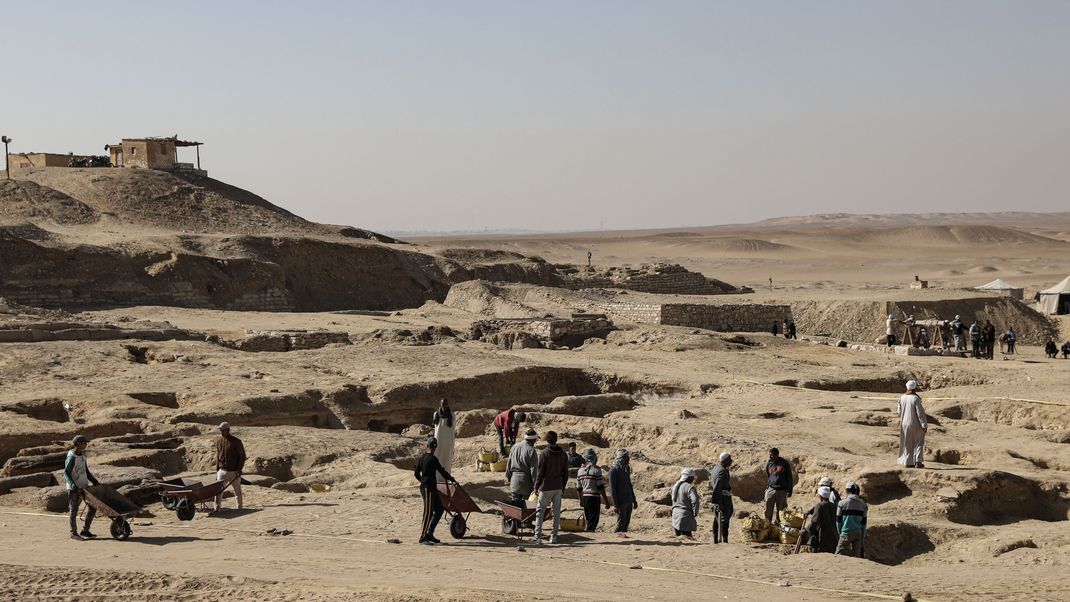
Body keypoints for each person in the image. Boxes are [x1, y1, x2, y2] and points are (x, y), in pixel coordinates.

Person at [414, 436, 456, 545]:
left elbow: (416, 473)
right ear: (435, 447)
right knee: (428, 513)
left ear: (427, 446)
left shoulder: (422, 458)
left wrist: (422, 481)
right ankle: (422, 537)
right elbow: (442, 472)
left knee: (439, 510)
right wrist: (452, 479)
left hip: (429, 488)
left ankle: (429, 534)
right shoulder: (433, 459)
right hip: (428, 488)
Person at [532, 430, 569, 544]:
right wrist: (563, 486)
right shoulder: (563, 454)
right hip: (558, 485)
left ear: (547, 440)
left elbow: (540, 472)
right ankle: (554, 536)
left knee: (540, 511)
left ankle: (537, 537)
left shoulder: (544, 453)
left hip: (546, 485)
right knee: (556, 512)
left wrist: (536, 486)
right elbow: (565, 473)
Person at [64, 435, 100, 540]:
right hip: (74, 489)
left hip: (84, 487)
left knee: (92, 507)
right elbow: (66, 473)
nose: (86, 444)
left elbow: (86, 471)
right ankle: (73, 533)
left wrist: (95, 481)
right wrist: (74, 486)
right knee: (73, 510)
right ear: (78, 444)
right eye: (84, 443)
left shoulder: (82, 455)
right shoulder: (71, 457)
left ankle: (85, 530)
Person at [575, 448, 611, 532]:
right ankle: (589, 534)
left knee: (588, 519)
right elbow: (600, 487)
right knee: (593, 520)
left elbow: (579, 488)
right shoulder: (596, 470)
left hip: (585, 497)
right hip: (594, 497)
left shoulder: (580, 471)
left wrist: (581, 500)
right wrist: (606, 500)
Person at [214, 422, 246, 512]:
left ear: (228, 430)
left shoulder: (236, 442)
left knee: (237, 491)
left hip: (234, 471)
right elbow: (218, 456)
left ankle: (239, 508)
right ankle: (217, 508)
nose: (221, 432)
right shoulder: (219, 441)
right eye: (220, 430)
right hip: (222, 470)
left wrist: (239, 469)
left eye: (222, 430)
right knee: (218, 491)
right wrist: (217, 470)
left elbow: (242, 456)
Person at [608, 448, 638, 537]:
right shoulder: (613, 471)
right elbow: (612, 489)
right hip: (620, 502)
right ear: (621, 458)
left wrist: (634, 500)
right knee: (620, 523)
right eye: (626, 457)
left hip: (628, 500)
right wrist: (615, 504)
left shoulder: (626, 469)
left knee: (626, 523)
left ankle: (623, 539)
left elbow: (629, 485)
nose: (628, 459)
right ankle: (615, 539)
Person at [897, 380, 927, 468]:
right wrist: (924, 425)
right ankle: (918, 461)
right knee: (919, 442)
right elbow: (920, 413)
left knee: (907, 442)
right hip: (915, 423)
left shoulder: (902, 397)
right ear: (915, 388)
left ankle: (908, 461)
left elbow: (899, 412)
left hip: (904, 423)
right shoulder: (916, 398)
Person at [506, 429, 539, 504]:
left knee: (515, 506)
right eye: (536, 439)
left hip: (514, 481)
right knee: (525, 506)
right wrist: (536, 485)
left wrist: (508, 477)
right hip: (526, 483)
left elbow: (509, 463)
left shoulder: (515, 446)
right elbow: (534, 470)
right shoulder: (531, 450)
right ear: (533, 439)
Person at [835, 482, 868, 557]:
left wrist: (840, 533)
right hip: (858, 532)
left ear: (847, 491)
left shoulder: (841, 503)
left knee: (838, 554)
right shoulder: (863, 504)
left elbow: (838, 521)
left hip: (846, 532)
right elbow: (864, 523)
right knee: (856, 557)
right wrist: (863, 536)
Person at [763, 448, 794, 524]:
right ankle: (768, 524)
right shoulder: (769, 463)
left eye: (772, 455)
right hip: (771, 489)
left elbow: (789, 477)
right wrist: (769, 485)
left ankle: (778, 526)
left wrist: (789, 490)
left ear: (777, 455)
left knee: (781, 510)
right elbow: (768, 475)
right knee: (767, 508)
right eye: (769, 455)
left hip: (782, 490)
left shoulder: (784, 463)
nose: (770, 456)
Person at [804, 486, 838, 553]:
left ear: (820, 496)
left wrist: (805, 531)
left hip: (822, 538)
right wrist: (810, 511)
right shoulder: (834, 506)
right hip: (833, 538)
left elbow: (814, 522)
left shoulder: (819, 506)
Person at [709, 452, 733, 544]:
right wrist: (719, 502)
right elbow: (717, 486)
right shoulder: (722, 471)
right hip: (722, 498)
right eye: (730, 459)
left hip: (719, 496)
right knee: (724, 518)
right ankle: (724, 539)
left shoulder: (716, 468)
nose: (731, 461)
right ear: (725, 460)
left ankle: (716, 539)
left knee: (716, 517)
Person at [671, 468, 700, 538]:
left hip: (675, 516)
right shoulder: (689, 487)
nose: (693, 479)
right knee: (687, 539)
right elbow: (695, 500)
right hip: (685, 517)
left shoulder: (675, 486)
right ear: (689, 478)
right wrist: (695, 513)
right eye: (693, 477)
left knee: (679, 540)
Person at [431, 398, 455, 474]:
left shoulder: (452, 415)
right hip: (438, 440)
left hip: (447, 441)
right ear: (440, 405)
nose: (445, 406)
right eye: (443, 404)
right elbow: (435, 428)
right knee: (437, 457)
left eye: (446, 404)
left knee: (446, 459)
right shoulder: (435, 414)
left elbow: (453, 428)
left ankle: (446, 477)